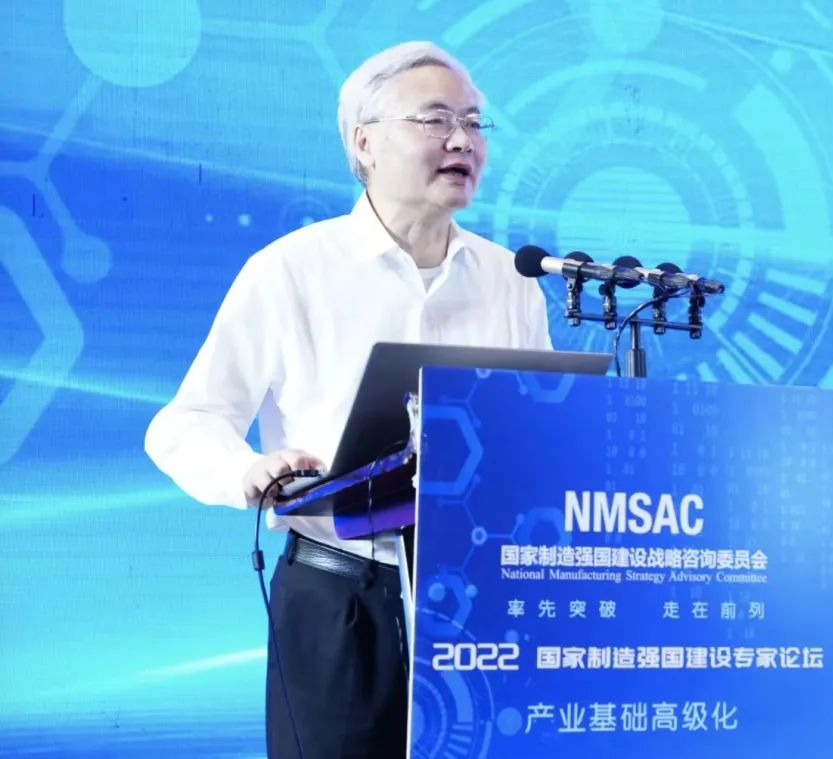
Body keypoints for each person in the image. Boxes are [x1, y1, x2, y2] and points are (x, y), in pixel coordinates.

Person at [145, 41, 551, 758]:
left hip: (484, 604)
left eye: (474, 122)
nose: (463, 140)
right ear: (364, 142)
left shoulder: (512, 278)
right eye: (435, 119)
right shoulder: (291, 270)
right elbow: (185, 422)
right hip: (342, 598)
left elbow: (542, 427)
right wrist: (246, 471)